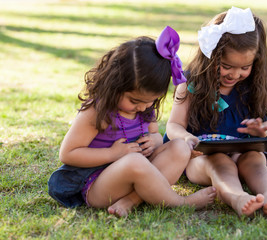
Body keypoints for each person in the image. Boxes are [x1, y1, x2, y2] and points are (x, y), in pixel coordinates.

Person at [48, 26, 216, 217]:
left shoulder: (145, 109)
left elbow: (155, 135)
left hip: (136, 173)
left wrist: (154, 141)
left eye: (150, 101)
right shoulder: (97, 112)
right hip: (97, 185)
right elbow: (68, 154)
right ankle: (179, 202)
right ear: (115, 85)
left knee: (179, 147)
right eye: (135, 101)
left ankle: (130, 201)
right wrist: (112, 153)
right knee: (134, 161)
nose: (143, 107)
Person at [165, 7, 267, 218]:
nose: (235, 74)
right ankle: (237, 198)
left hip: (243, 151)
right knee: (219, 162)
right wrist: (188, 139)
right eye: (226, 66)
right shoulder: (191, 84)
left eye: (245, 67)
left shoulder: (256, 84)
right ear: (210, 55)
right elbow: (173, 126)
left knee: (255, 159)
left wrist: (266, 128)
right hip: (201, 157)